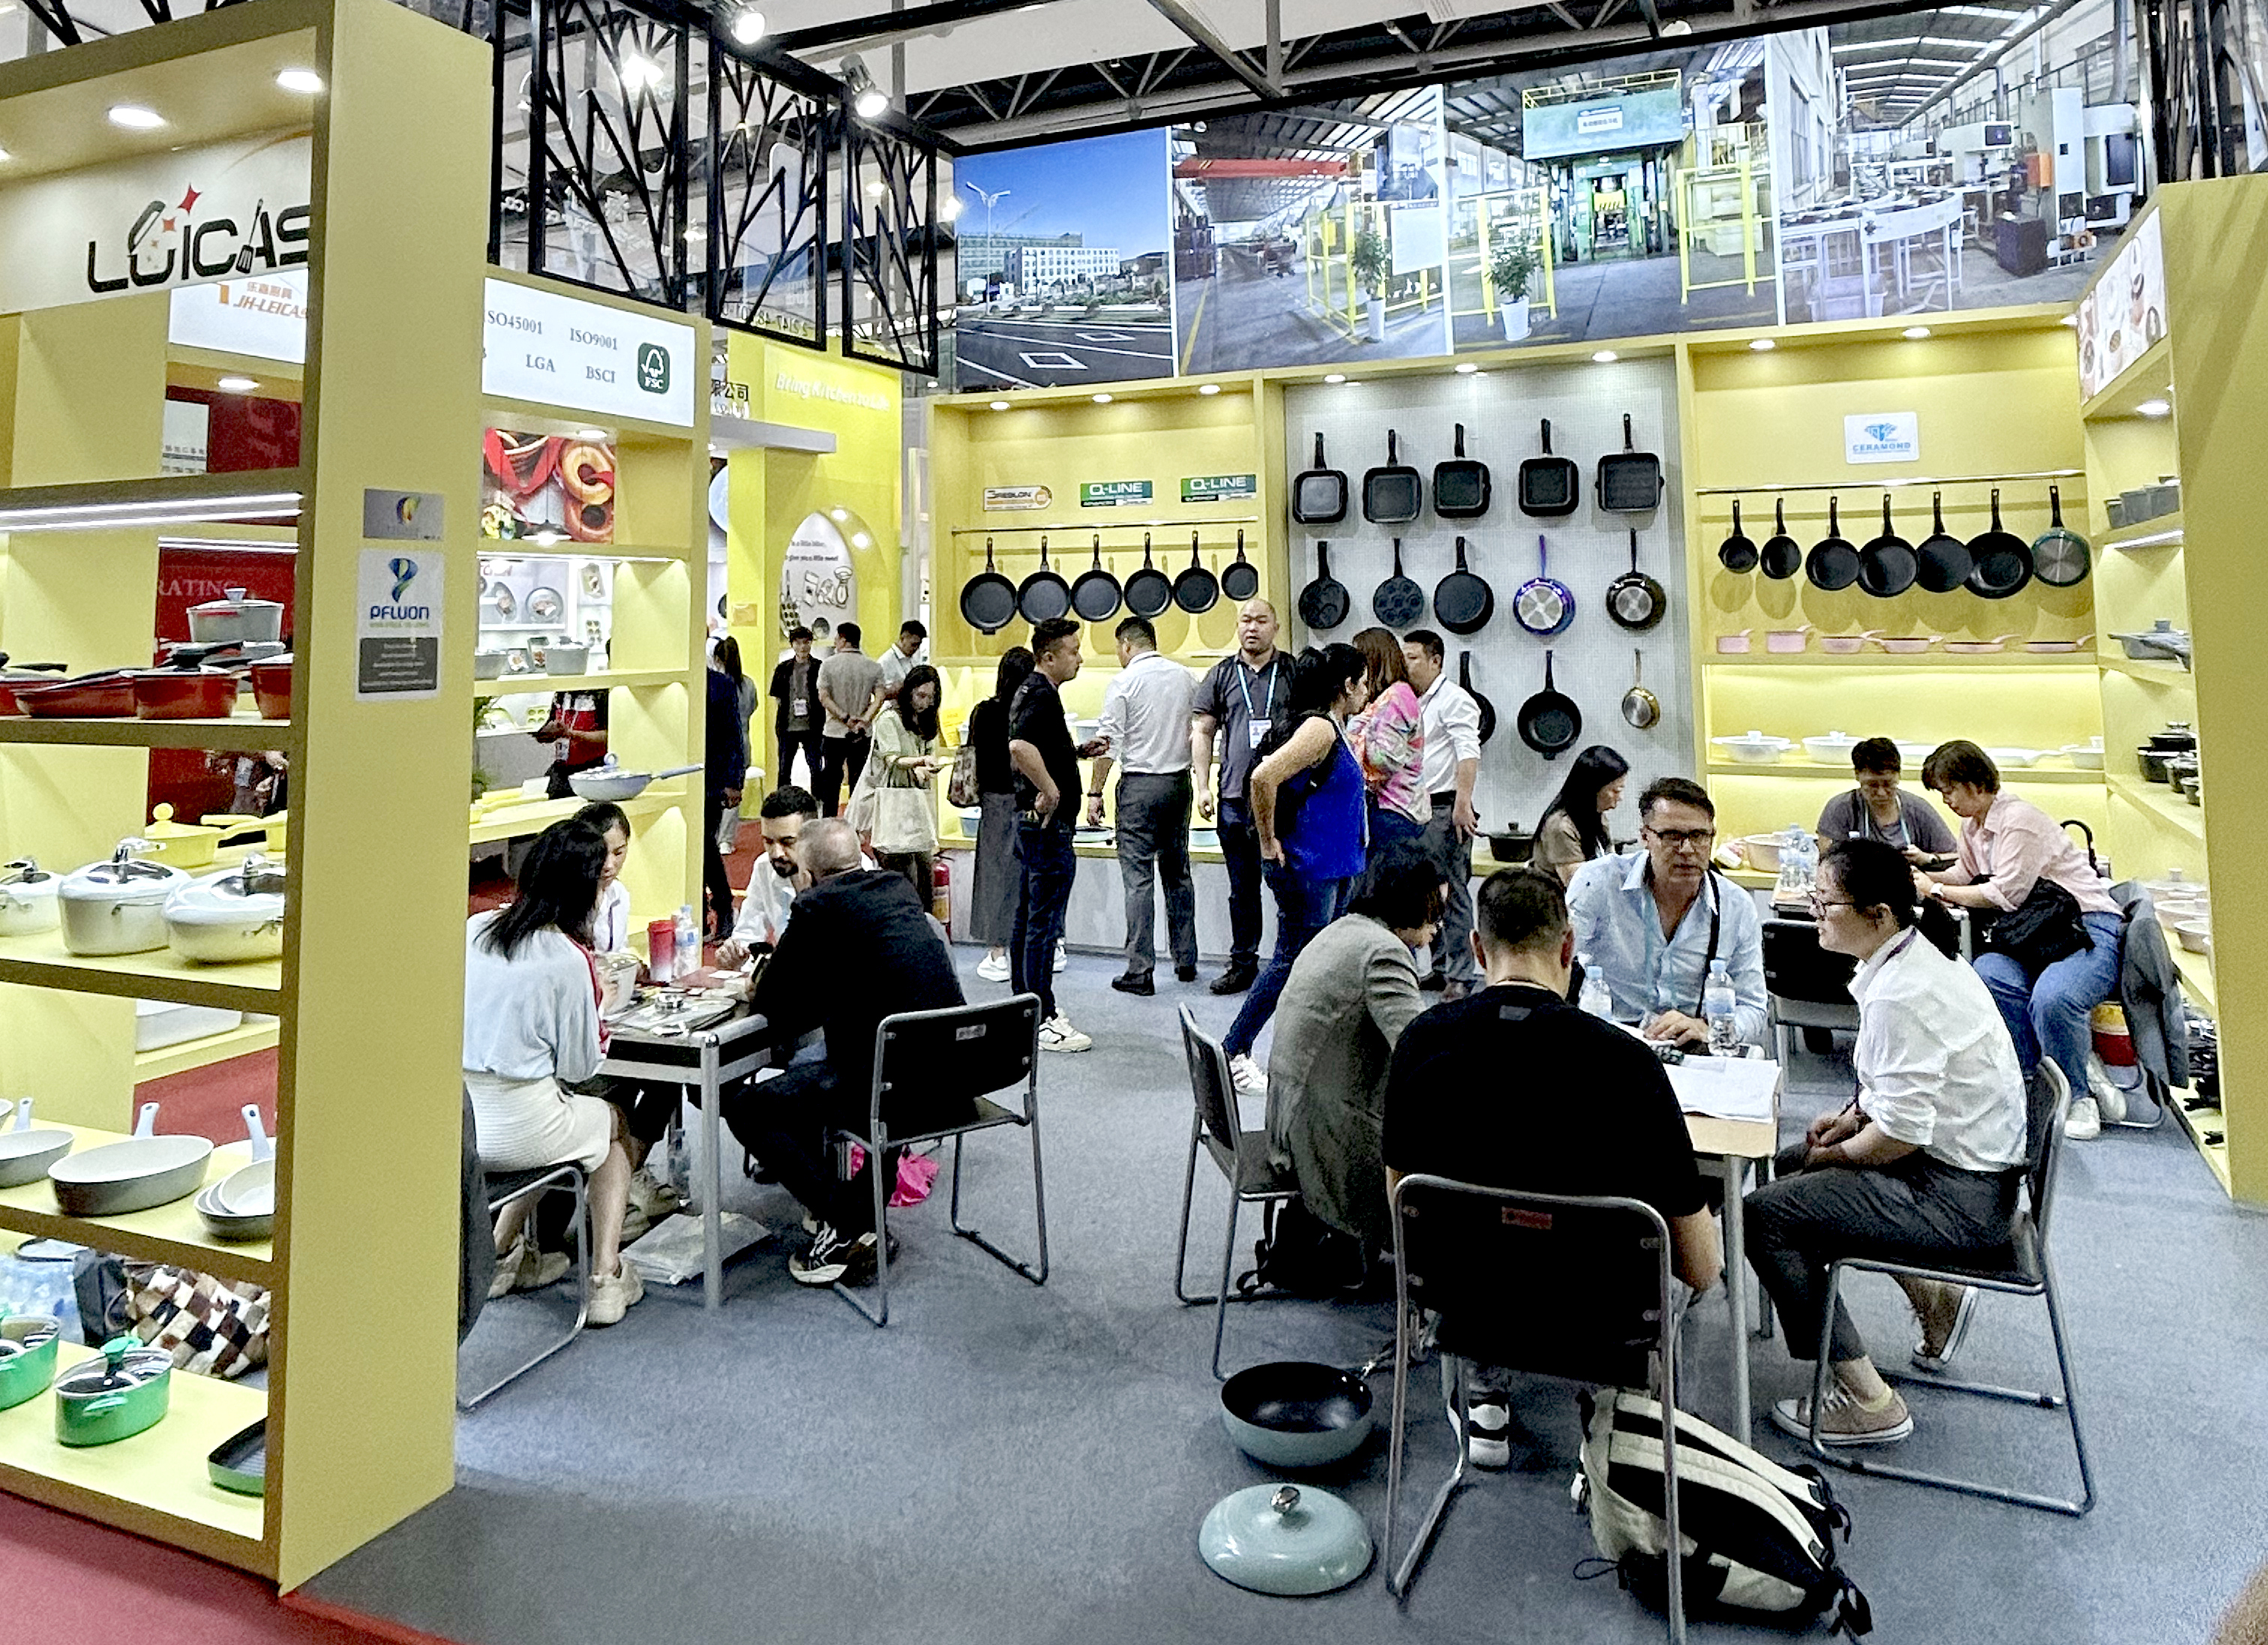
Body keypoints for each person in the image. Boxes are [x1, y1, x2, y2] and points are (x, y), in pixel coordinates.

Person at [1382, 866, 1720, 1467]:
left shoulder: (1421, 1041)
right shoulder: (1628, 1064)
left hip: (1468, 1304)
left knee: (1492, 1231)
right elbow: (1700, 1267)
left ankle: (1483, 1392)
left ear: (1477, 948)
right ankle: (1628, 1434)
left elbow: (1403, 1206)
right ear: (1568, 948)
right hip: (1604, 1315)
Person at [1745, 839, 2030, 1447]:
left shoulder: (1905, 992)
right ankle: (1935, 1299)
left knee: (1764, 1216)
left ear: (1877, 914)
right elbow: (1903, 1093)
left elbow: (1900, 1136)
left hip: (1959, 1200)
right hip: (1966, 1173)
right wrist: (1852, 1119)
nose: (1815, 912)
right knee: (1792, 1165)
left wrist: (1839, 1152)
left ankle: (1869, 1400)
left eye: (1826, 902)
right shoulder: (1911, 957)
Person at [724, 820, 964, 1288]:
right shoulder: (897, 889)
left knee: (748, 1108)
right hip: (955, 1074)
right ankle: (860, 1214)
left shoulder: (816, 906)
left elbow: (776, 1007)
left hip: (887, 1085)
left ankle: (847, 1221)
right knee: (855, 1070)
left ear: (809, 869)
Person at [463, 819, 644, 1326]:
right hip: (526, 1125)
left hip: (464, 1125)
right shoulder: (568, 957)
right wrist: (597, 1005)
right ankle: (606, 1276)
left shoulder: (475, 929)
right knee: (609, 1128)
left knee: (568, 1128)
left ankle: (502, 1251)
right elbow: (580, 1067)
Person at [1917, 740, 2122, 1133]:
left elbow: (2005, 895)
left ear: (1976, 783)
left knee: (2053, 998)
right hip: (2034, 932)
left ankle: (2077, 1097)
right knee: (1988, 975)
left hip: (2084, 924)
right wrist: (1921, 877)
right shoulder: (1974, 825)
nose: (1946, 801)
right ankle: (2031, 1081)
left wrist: (1936, 890)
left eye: (1950, 790)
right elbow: (1965, 874)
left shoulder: (2019, 821)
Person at [1264, 840, 1442, 1255]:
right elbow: (1417, 1053)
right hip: (1322, 1133)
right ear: (1411, 902)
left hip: (1288, 1117)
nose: (1438, 926)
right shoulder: (1384, 953)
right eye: (1435, 911)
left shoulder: (1343, 929)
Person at [1220, 644, 1370, 1091]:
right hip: (1309, 869)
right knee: (1290, 962)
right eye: (1364, 683)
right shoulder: (1320, 729)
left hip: (1333, 868)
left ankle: (1309, 1056)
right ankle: (1234, 1050)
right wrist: (1268, 842)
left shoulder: (1335, 729)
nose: (1368, 692)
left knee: (1316, 966)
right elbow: (1262, 777)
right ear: (1347, 686)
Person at [1567, 777, 1766, 1049]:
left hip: (1688, 1043)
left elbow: (1753, 1007)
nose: (1687, 850)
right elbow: (1554, 965)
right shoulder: (1599, 883)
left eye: (1699, 836)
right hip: (1608, 1040)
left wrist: (1708, 1028)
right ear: (1645, 837)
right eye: (1672, 836)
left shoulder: (1736, 906)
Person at [568, 800, 684, 1229]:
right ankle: (612, 1188)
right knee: (618, 1090)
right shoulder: (566, 902)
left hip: (611, 1019)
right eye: (601, 853)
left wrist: (629, 970)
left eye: (619, 852)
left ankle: (628, 1172)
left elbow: (611, 957)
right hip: (577, 1038)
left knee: (668, 1073)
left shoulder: (618, 895)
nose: (610, 864)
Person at [1087, 615, 1198, 996]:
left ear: (1127, 645)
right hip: (1178, 785)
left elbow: (1107, 744)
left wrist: (1095, 792)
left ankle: (1140, 970)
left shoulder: (1124, 682)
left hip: (1138, 788)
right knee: (1178, 875)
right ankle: (1186, 959)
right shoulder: (1186, 677)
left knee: (1138, 880)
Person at [1009, 617, 1103, 1054]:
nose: (1079, 658)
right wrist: (1050, 789)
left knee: (1028, 918)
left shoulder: (1033, 691)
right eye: (1073, 651)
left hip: (1034, 826)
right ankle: (1042, 1016)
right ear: (1049, 656)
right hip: (1047, 827)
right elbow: (1020, 747)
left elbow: (1036, 745)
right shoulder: (1042, 695)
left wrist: (1076, 752)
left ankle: (1023, 1007)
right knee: (1043, 924)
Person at [1191, 599, 1294, 996]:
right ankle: (1243, 964)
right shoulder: (1221, 674)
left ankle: (1292, 967)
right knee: (1242, 890)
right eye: (1246, 620)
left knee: (1291, 888)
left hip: (1286, 801)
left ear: (1276, 627)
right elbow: (1202, 732)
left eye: (1261, 620)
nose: (1253, 627)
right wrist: (1203, 785)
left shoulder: (1292, 671)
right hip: (1235, 799)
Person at [1402, 629, 1483, 999]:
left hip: (1445, 806)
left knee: (1454, 893)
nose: (1405, 664)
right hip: (1414, 807)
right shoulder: (1410, 700)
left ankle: (1460, 974)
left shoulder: (1455, 700)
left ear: (1435, 660)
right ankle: (1438, 967)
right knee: (1425, 892)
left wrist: (1462, 804)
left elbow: (1468, 753)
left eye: (1413, 658)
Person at [718, 785, 877, 964]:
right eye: (768, 841)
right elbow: (747, 936)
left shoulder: (852, 868)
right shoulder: (763, 867)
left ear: (813, 836)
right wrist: (735, 955)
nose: (776, 853)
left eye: (788, 842)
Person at [968, 647, 1033, 983]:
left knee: (994, 875)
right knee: (1030, 873)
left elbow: (975, 757)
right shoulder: (1031, 710)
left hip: (994, 801)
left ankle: (997, 952)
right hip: (1030, 800)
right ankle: (1045, 945)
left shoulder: (984, 712)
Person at [862, 662, 944, 904]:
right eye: (921, 696)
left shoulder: (925, 720)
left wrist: (924, 767)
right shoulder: (889, 719)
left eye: (931, 698)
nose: (925, 703)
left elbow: (921, 755)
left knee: (925, 878)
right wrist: (920, 762)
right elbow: (893, 759)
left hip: (916, 807)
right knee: (903, 877)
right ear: (909, 692)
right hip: (894, 805)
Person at [1346, 626, 1427, 857]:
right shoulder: (1391, 697)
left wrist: (1354, 740)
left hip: (1393, 811)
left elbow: (1385, 761)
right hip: (1392, 810)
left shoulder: (1395, 698)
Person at [1815, 737, 1957, 860]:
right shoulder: (1840, 809)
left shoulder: (1918, 809)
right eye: (1872, 785)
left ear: (1899, 776)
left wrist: (1927, 858)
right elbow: (1827, 862)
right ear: (1857, 776)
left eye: (1889, 784)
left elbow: (1956, 856)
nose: (1881, 793)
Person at [1533, 743, 1629, 884]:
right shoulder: (1561, 827)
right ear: (1593, 789)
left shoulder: (1598, 817)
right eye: (1616, 791)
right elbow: (1576, 884)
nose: (1620, 798)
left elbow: (1611, 863)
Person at [702, 645, 748, 936]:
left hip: (712, 779)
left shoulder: (721, 684)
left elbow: (733, 734)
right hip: (677, 779)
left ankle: (723, 907)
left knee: (706, 845)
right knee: (689, 849)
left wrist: (734, 780)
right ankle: (699, 912)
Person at [814, 623, 881, 816]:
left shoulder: (828, 665)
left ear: (843, 640)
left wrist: (844, 717)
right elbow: (880, 697)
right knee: (859, 781)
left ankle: (828, 821)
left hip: (834, 731)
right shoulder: (874, 667)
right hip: (862, 732)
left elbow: (824, 697)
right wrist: (865, 720)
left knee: (831, 780)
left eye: (837, 638)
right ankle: (856, 823)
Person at [712, 635, 758, 854]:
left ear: (717, 659)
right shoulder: (748, 684)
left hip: (719, 744)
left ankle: (715, 836)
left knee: (716, 791)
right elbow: (753, 707)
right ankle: (726, 839)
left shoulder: (718, 685)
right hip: (743, 742)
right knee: (735, 791)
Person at [768, 626, 823, 793]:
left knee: (816, 767)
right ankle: (784, 799)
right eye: (798, 643)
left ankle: (817, 799)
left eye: (806, 643)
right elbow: (777, 696)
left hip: (813, 725)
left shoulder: (819, 667)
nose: (802, 647)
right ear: (792, 645)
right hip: (788, 726)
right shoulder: (783, 668)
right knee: (784, 768)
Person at [534, 685, 608, 800]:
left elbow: (610, 736)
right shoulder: (560, 695)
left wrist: (571, 734)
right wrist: (542, 733)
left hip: (593, 769)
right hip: (563, 768)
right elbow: (547, 731)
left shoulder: (601, 696)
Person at [872, 619, 928, 710]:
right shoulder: (885, 661)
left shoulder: (913, 659)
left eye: (918, 645)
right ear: (903, 639)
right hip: (891, 710)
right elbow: (878, 693)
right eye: (913, 645)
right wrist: (898, 689)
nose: (916, 649)